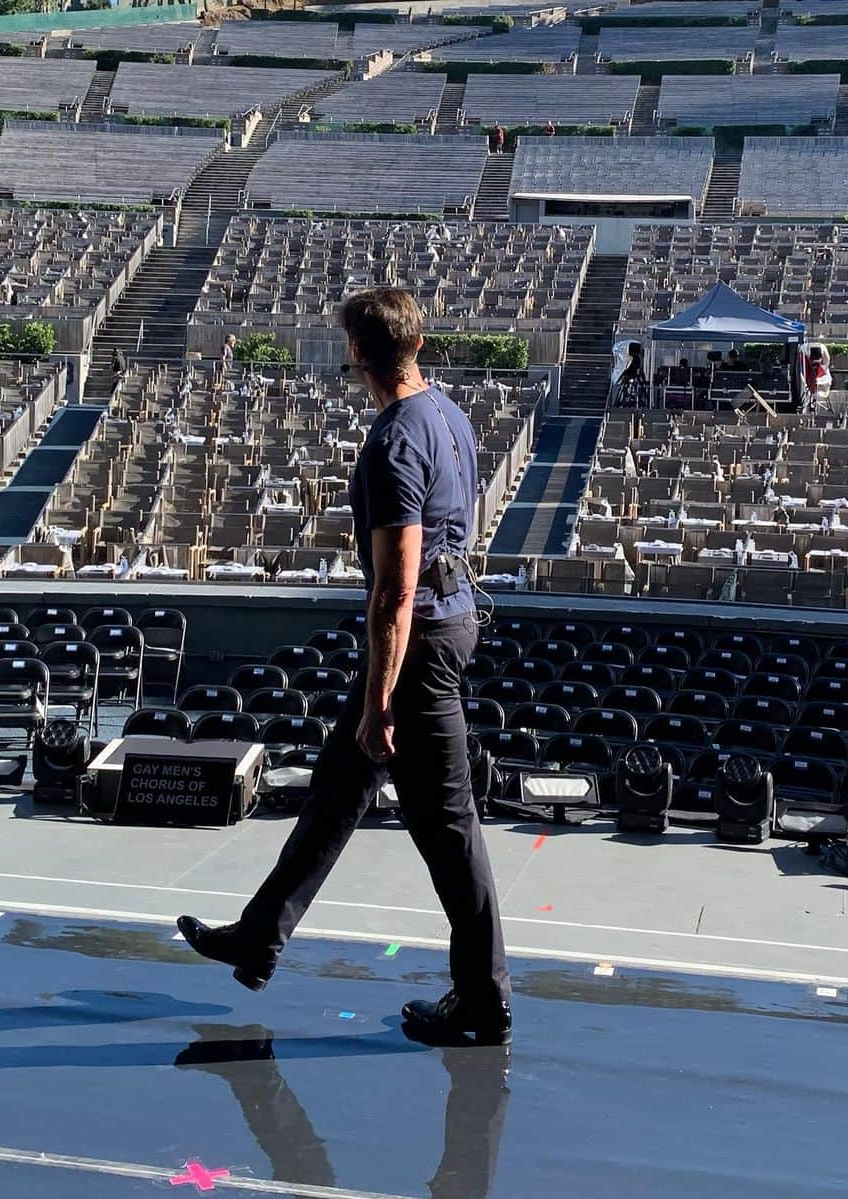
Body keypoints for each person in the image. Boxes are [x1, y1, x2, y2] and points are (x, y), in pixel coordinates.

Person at [178, 287, 512, 1046]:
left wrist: (379, 699)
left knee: (449, 828)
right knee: (338, 787)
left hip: (419, 640)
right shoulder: (450, 417)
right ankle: (259, 937)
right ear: (416, 345)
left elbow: (394, 589)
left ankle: (484, 1003)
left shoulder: (394, 442)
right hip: (452, 616)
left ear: (357, 353)